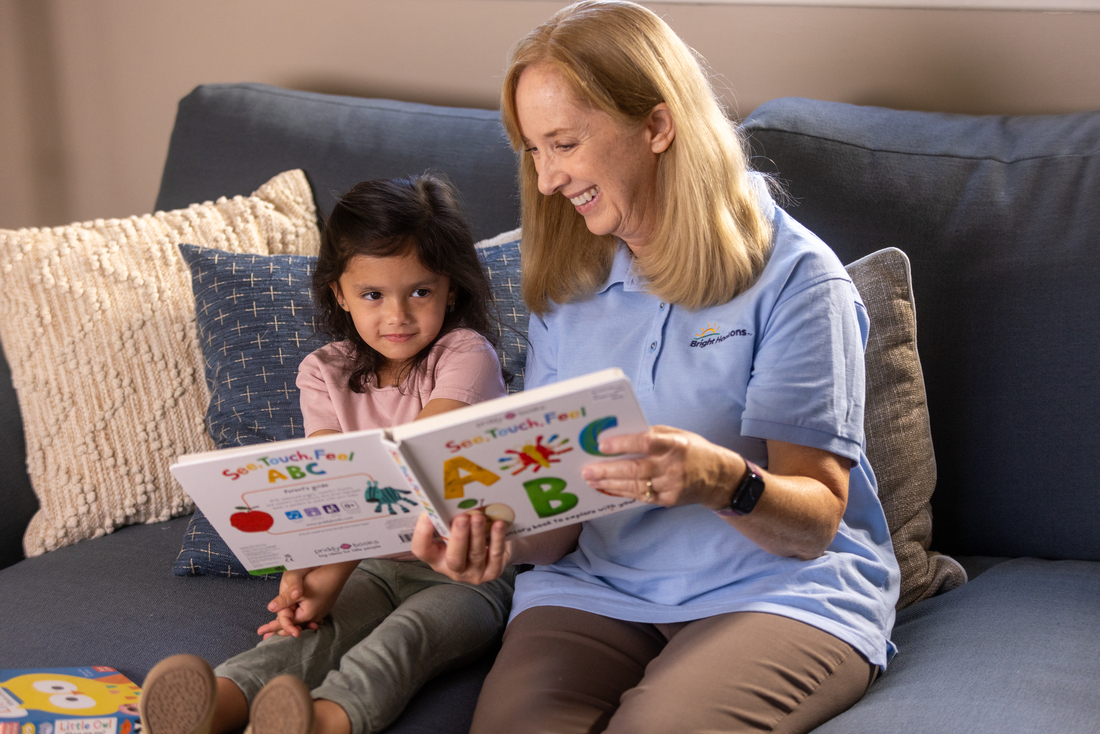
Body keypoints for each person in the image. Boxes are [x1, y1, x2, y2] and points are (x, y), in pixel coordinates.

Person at [411, 2, 901, 732]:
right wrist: (491, 537)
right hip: (597, 588)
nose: (547, 179)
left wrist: (721, 481)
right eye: (533, 151)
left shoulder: (798, 280)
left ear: (657, 126)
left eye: (564, 143)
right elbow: (559, 523)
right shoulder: (569, 287)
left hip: (777, 589)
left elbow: (814, 524)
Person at [139, 174, 514, 734]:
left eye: (420, 291)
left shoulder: (466, 355)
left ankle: (322, 722)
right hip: (373, 564)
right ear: (339, 293)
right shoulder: (325, 371)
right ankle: (217, 702)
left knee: (405, 639)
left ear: (450, 290)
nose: (397, 316)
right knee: (313, 631)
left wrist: (331, 567)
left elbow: (408, 471)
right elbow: (332, 486)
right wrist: (303, 573)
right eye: (372, 294)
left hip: (466, 573)